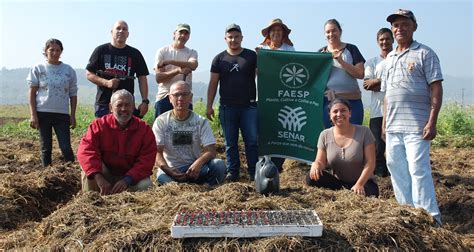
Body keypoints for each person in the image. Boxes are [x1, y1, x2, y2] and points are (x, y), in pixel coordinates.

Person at [382, 9, 443, 225]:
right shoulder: (389, 58)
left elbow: (436, 88)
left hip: (417, 126)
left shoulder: (426, 53)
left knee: (418, 170)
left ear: (414, 27)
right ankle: (407, 213)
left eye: (404, 24)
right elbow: (388, 94)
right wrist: (384, 124)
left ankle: (431, 218)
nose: (399, 28)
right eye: (396, 25)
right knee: (395, 168)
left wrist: (432, 121)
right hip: (393, 126)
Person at [77, 90, 157, 195]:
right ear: (110, 107)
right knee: (89, 174)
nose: (123, 109)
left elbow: (146, 160)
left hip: (130, 178)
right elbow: (86, 151)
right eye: (119, 105)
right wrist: (99, 178)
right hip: (105, 175)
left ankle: (131, 208)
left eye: (127, 105)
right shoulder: (99, 125)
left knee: (146, 185)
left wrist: (127, 180)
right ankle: (91, 202)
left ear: (133, 107)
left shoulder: (144, 129)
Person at [206, 23, 258, 181]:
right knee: (230, 143)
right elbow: (213, 83)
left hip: (248, 106)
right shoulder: (219, 58)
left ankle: (254, 172)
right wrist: (209, 106)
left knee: (251, 141)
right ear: (225, 39)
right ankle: (233, 172)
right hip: (227, 107)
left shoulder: (252, 56)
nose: (233, 40)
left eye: (236, 37)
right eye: (230, 37)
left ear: (242, 38)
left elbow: (263, 73)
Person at [153, 81, 225, 185]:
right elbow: (157, 152)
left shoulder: (200, 121)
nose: (180, 98)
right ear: (170, 98)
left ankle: (208, 189)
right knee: (164, 179)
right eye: (176, 95)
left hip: (195, 169)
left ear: (190, 97)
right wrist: (169, 170)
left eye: (184, 94)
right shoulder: (161, 121)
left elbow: (211, 151)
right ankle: (178, 187)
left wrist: (198, 163)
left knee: (219, 165)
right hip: (171, 170)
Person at [305, 98, 378, 197]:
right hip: (339, 184)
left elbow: (370, 162)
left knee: (366, 194)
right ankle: (342, 194)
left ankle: (353, 192)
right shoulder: (325, 135)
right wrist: (316, 165)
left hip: (364, 183)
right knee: (311, 177)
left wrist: (359, 184)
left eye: (343, 110)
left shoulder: (364, 132)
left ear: (350, 113)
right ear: (330, 116)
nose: (339, 114)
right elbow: (321, 161)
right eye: (335, 111)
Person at [27, 38, 77, 167]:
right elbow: (32, 92)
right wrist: (33, 115)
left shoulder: (68, 70)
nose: (55, 53)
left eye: (58, 50)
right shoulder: (38, 68)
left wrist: (72, 115)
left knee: (65, 147)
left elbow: (73, 94)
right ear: (45, 51)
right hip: (43, 112)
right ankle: (47, 175)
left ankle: (72, 172)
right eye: (51, 50)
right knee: (46, 148)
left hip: (62, 113)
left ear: (61, 51)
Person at [86, 20, 150, 118]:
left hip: (127, 105)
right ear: (112, 32)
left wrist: (145, 101)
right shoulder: (100, 50)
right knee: (104, 132)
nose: (121, 31)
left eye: (124, 29)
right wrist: (106, 83)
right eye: (118, 28)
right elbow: (89, 74)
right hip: (104, 104)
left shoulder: (135, 53)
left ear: (128, 34)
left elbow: (142, 78)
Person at [256, 18, 294, 173]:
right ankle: (263, 164)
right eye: (274, 30)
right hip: (264, 96)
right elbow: (256, 71)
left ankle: (277, 166)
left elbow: (293, 67)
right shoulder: (260, 49)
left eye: (279, 30)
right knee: (263, 131)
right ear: (269, 33)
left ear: (283, 33)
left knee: (281, 131)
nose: (277, 33)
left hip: (283, 97)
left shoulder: (289, 49)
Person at [318, 19, 365, 129]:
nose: (331, 34)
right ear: (324, 35)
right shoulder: (320, 53)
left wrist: (341, 61)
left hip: (352, 101)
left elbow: (360, 73)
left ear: (340, 31)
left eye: (334, 31)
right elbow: (315, 78)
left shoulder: (351, 49)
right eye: (328, 32)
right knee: (331, 138)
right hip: (329, 103)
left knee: (354, 136)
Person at [363, 28, 393, 177]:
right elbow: (367, 85)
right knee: (377, 148)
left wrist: (378, 81)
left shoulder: (397, 58)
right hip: (377, 111)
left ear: (392, 40)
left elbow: (403, 82)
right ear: (377, 42)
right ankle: (381, 177)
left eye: (387, 39)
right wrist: (389, 81)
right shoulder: (372, 62)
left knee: (395, 147)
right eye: (381, 39)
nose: (384, 42)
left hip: (396, 110)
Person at [154, 23, 198, 118]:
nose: (183, 35)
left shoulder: (192, 53)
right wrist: (178, 70)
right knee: (161, 130)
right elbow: (158, 78)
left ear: (189, 36)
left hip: (185, 98)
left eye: (186, 33)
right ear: (174, 34)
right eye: (180, 32)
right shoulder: (162, 51)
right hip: (164, 96)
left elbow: (193, 65)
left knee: (185, 130)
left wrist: (169, 62)